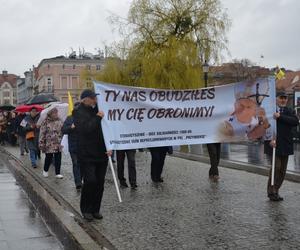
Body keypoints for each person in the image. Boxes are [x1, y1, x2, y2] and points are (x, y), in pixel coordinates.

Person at [73, 89, 112, 221]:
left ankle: (96, 209)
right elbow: (86, 129)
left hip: (101, 152)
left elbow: (108, 129)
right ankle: (86, 209)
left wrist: (111, 146)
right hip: (86, 153)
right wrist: (98, 118)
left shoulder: (98, 110)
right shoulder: (78, 112)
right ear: (85, 99)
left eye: (95, 98)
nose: (95, 100)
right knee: (90, 181)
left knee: (100, 182)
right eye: (92, 98)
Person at [265, 91, 299, 201]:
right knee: (276, 167)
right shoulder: (269, 111)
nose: (283, 100)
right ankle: (271, 191)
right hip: (273, 144)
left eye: (285, 98)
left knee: (282, 170)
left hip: (286, 144)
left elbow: (295, 121)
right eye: (281, 98)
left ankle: (276, 189)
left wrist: (280, 117)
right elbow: (264, 126)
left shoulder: (289, 111)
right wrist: (269, 140)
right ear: (276, 99)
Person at [39, 108, 64, 179]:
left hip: (58, 142)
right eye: (54, 113)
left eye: (56, 112)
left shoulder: (60, 120)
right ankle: (45, 170)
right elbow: (42, 133)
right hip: (49, 143)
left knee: (58, 158)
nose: (56, 114)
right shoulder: (45, 122)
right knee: (48, 157)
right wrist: (41, 143)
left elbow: (63, 130)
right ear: (50, 113)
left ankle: (58, 173)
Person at [62, 102, 82, 190]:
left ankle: (80, 179)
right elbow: (63, 130)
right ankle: (78, 183)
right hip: (73, 146)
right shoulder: (69, 118)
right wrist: (71, 127)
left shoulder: (84, 118)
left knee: (82, 164)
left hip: (83, 146)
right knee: (76, 163)